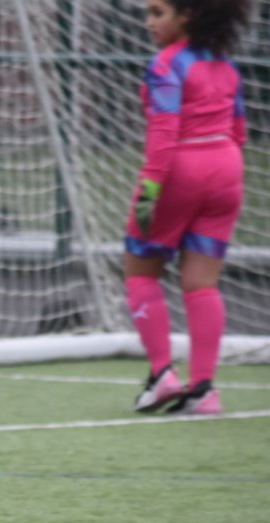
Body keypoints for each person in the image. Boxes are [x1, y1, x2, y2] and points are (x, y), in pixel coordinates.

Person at [126, 0, 251, 415]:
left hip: (182, 167)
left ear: (189, 16)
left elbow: (164, 132)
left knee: (140, 270)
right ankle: (204, 390)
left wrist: (149, 190)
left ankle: (162, 374)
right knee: (202, 283)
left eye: (158, 12)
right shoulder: (225, 65)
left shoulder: (167, 63)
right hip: (227, 168)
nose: (149, 22)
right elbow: (239, 129)